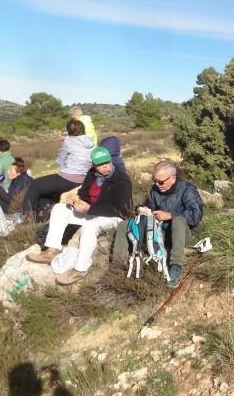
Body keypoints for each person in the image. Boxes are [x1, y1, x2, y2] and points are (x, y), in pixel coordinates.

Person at [27, 147, 132, 286]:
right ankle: (53, 249)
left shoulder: (122, 180)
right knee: (59, 209)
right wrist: (75, 199)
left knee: (90, 226)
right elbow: (83, 194)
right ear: (92, 164)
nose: (105, 166)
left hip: (112, 216)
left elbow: (120, 210)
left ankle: (80, 268)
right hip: (92, 211)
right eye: (100, 164)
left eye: (107, 162)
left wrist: (90, 209)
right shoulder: (92, 174)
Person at [112, 160, 203, 288]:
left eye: (160, 182)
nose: (157, 184)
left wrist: (170, 215)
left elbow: (196, 215)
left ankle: (175, 267)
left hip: (180, 234)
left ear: (173, 178)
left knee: (178, 220)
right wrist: (145, 211)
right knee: (123, 225)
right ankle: (116, 266)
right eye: (155, 180)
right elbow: (151, 207)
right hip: (157, 232)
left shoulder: (188, 190)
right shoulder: (155, 189)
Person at [20, 119, 94, 219]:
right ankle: (43, 213)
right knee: (45, 186)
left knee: (35, 184)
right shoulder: (91, 142)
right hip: (85, 177)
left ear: (69, 130)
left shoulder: (68, 142)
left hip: (68, 178)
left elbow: (59, 162)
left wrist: (60, 153)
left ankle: (22, 215)